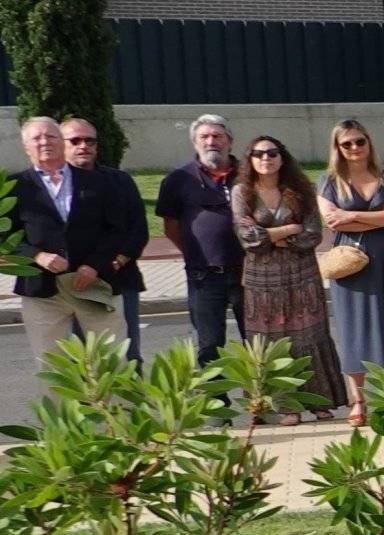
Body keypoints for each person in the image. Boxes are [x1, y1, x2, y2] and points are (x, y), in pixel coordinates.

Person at [231, 134, 348, 422]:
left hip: (302, 274)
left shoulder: (301, 189)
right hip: (262, 279)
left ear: (282, 157)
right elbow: (248, 238)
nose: (265, 159)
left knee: (310, 334)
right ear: (250, 159)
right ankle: (285, 405)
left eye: (272, 153)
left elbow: (312, 234)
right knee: (272, 340)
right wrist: (286, 230)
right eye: (258, 154)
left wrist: (270, 235)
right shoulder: (241, 193)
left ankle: (320, 401)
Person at [317, 120, 384, 425]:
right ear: (337, 148)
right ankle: (358, 401)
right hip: (351, 261)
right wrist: (379, 217)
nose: (355, 148)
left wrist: (352, 214)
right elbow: (333, 222)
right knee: (354, 332)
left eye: (359, 141)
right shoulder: (328, 180)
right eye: (347, 144)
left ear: (368, 141)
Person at [7, 116, 119, 362]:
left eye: (51, 136)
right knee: (52, 368)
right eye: (37, 138)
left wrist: (94, 265)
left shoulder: (98, 182)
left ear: (61, 142)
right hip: (41, 291)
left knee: (112, 363)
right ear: (26, 147)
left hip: (93, 284)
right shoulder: (13, 186)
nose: (44, 141)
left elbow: (116, 230)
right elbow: (4, 236)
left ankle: (113, 404)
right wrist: (36, 255)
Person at [157, 114, 247, 365]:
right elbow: (170, 225)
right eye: (204, 137)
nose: (211, 142)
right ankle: (215, 402)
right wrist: (197, 253)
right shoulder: (178, 179)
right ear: (194, 143)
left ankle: (261, 400)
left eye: (217, 136)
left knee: (257, 342)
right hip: (204, 277)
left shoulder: (250, 174)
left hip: (249, 273)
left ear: (229, 140)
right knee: (209, 347)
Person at [60, 119, 148, 361]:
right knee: (82, 361)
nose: (83, 146)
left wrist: (113, 264)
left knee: (126, 357)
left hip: (118, 280)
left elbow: (137, 230)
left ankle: (131, 401)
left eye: (90, 140)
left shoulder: (119, 181)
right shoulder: (54, 186)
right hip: (69, 286)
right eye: (75, 140)